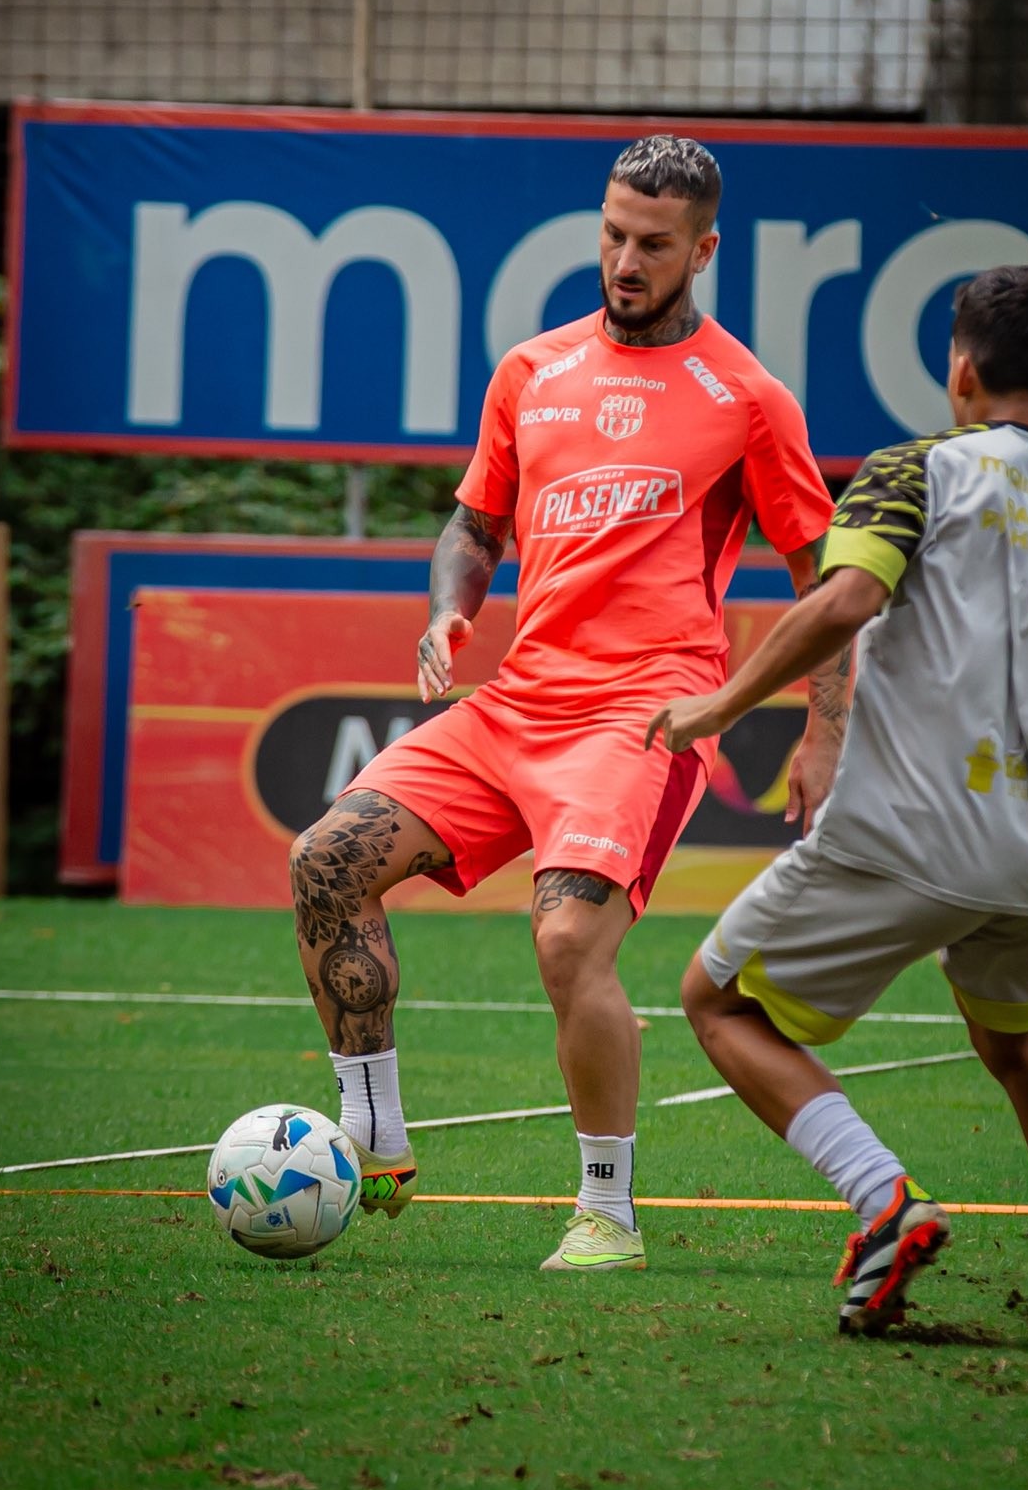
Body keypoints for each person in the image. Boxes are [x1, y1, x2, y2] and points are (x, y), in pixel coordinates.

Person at [646, 264, 1028, 1337]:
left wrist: (722, 702)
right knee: (1017, 1040)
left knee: (716, 1002)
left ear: (961, 371)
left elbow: (846, 599)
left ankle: (882, 1195)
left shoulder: (918, 470)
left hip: (898, 833)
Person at [289, 134, 840, 1274]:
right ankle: (376, 1128)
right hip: (516, 701)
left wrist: (826, 726)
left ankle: (606, 1209)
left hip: (646, 714)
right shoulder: (531, 369)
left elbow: (827, 577)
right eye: (613, 234)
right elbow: (473, 524)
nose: (626, 260)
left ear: (703, 248)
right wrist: (451, 607)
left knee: (569, 937)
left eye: (652, 243)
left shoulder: (747, 396)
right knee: (324, 862)